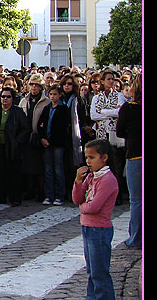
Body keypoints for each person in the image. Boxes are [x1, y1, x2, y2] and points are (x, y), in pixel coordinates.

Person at [70, 139, 119, 300]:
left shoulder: (108, 180)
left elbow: (93, 206)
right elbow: (77, 199)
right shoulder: (92, 176)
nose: (88, 161)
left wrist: (83, 206)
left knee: (100, 273)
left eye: (92, 157)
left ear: (104, 158)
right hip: (87, 227)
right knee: (92, 272)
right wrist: (78, 181)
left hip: (99, 230)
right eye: (86, 157)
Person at [91, 70, 128, 205]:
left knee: (116, 165)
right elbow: (93, 115)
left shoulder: (119, 96)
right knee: (102, 166)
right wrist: (111, 114)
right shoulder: (96, 98)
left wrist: (105, 112)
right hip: (101, 134)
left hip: (114, 134)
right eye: (108, 79)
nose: (111, 81)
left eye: (112, 79)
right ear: (102, 81)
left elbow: (120, 112)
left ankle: (116, 196)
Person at [0, 86, 30, 206]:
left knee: (13, 173)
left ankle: (15, 197)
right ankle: (0, 197)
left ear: (13, 98)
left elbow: (25, 128)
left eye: (8, 97)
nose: (5, 99)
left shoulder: (17, 111)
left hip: (13, 146)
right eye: (3, 96)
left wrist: (17, 141)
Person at [116, 73, 142, 248]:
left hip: (135, 155)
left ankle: (137, 238)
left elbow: (120, 132)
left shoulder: (128, 108)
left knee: (137, 200)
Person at [59, 73, 90, 203]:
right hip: (61, 136)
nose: (67, 86)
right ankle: (65, 192)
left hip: (75, 136)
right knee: (63, 165)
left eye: (70, 84)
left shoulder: (78, 100)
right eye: (65, 84)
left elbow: (82, 118)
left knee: (75, 165)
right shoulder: (58, 99)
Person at [19, 74, 50, 202]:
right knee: (27, 165)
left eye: (37, 85)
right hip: (26, 137)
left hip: (39, 137)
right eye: (32, 84)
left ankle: (41, 191)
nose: (34, 87)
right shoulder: (24, 100)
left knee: (40, 167)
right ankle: (29, 190)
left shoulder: (46, 101)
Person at [38, 84, 70, 205]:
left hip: (58, 143)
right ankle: (48, 195)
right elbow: (41, 124)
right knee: (48, 169)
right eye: (50, 94)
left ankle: (59, 195)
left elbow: (62, 128)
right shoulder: (47, 108)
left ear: (60, 95)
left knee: (58, 169)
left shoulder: (63, 109)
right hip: (47, 142)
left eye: (55, 94)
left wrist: (52, 140)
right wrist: (42, 138)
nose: (52, 97)